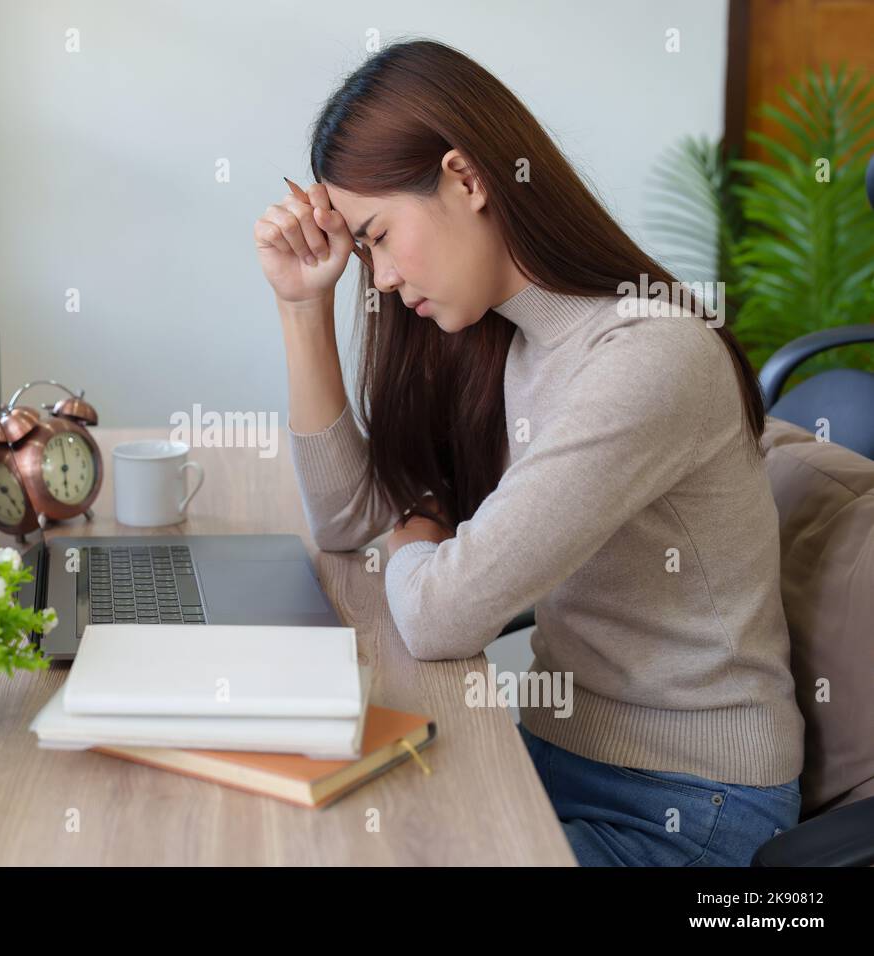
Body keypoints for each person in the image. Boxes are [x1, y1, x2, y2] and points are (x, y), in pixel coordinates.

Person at [254, 39, 803, 866]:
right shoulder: (505, 342)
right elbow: (341, 521)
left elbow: (440, 616)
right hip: (558, 756)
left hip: (694, 808)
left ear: (468, 180)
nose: (383, 278)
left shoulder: (648, 358)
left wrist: (415, 532)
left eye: (378, 237)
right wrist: (303, 307)